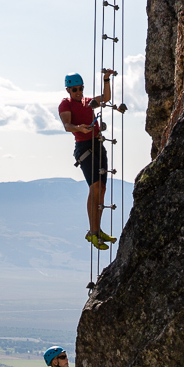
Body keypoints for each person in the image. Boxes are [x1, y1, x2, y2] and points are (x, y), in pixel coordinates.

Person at [59, 69, 118, 250]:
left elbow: (106, 98)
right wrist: (80, 128)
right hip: (84, 147)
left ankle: (97, 230)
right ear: (68, 90)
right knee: (95, 187)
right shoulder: (65, 104)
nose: (78, 92)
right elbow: (67, 126)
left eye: (80, 88)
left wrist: (106, 79)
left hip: (98, 145)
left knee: (101, 189)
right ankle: (92, 232)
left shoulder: (88, 102)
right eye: (75, 89)